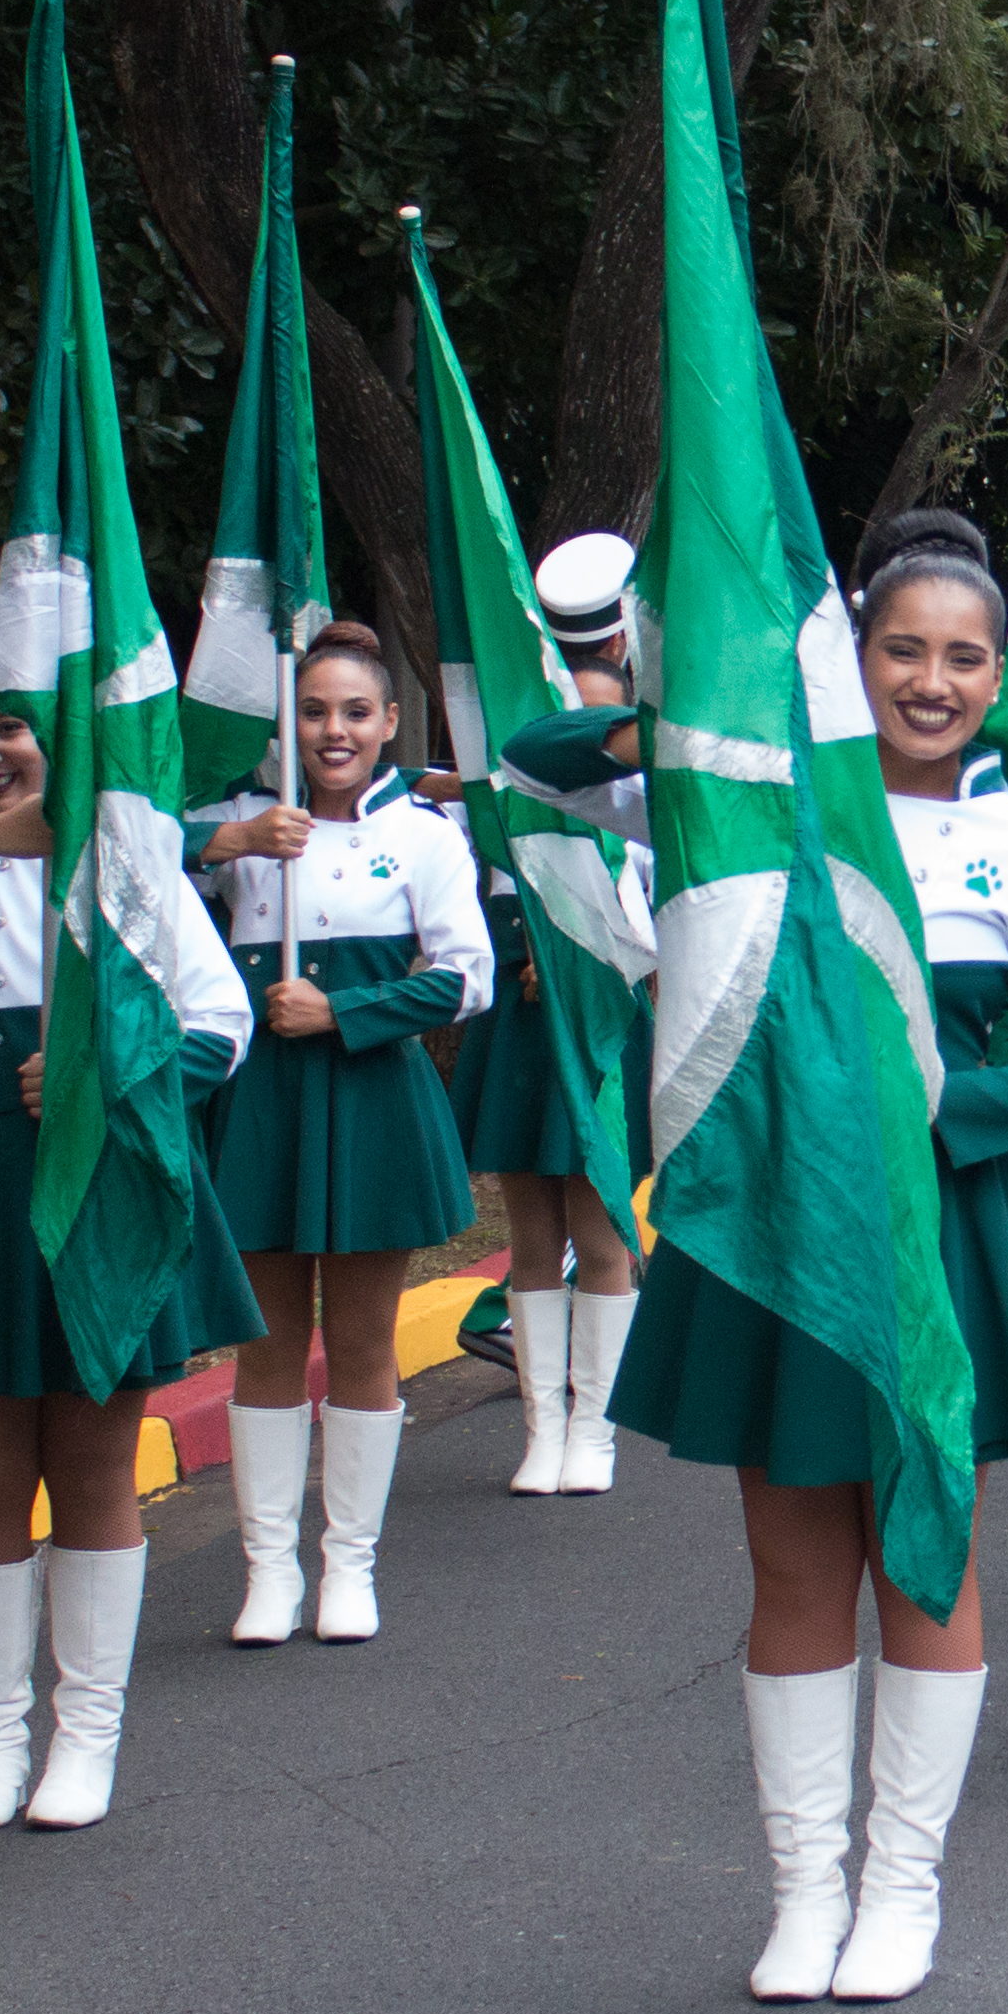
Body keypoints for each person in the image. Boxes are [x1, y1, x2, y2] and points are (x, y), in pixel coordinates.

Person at [582, 513, 1008, 1995]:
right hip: (779, 1228)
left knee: (924, 1555)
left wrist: (936, 1110)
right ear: (851, 663)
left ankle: (904, 1889)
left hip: (943, 1231)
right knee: (791, 1561)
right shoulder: (758, 822)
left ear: (1001, 675)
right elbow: (533, 769)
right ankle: (800, 1892)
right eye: (902, 651)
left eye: (963, 658)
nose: (932, 682)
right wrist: (695, 701)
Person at [0, 625, 263, 1829]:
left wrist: (110, 1072)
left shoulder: (127, 863)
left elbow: (222, 1022)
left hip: (105, 1180)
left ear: (62, 736)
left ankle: (85, 1735)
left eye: (11, 725)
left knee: (95, 1468)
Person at [192, 623, 493, 1649]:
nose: (333, 730)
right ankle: (268, 1568)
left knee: (362, 1342)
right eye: (313, 710)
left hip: (369, 1098)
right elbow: (125, 849)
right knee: (267, 1346)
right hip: (263, 1102)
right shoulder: (242, 823)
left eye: (355, 711)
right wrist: (227, 845)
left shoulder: (422, 833)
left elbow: (467, 976)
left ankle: (349, 1564)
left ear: (390, 721)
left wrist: (346, 1011)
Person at [449, 530, 648, 1499]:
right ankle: (546, 1427)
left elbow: (647, 884)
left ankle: (592, 1430)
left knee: (584, 1218)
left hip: (602, 997)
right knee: (551, 1221)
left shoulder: (641, 747)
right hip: (530, 997)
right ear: (625, 632)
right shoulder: (528, 733)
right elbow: (497, 871)